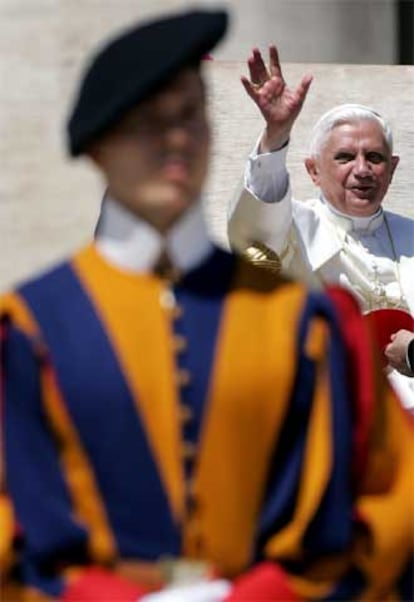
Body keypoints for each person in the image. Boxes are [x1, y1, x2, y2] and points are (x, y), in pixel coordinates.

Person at [1, 12, 413, 602]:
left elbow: (385, 504)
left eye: (190, 116)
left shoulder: (309, 326)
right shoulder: (30, 328)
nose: (175, 139)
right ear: (96, 146)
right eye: (147, 121)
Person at [228, 46, 414, 407]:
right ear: (313, 170)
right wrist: (275, 135)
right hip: (336, 411)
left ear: (391, 169)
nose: (362, 170)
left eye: (374, 158)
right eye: (345, 157)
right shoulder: (293, 226)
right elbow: (254, 231)